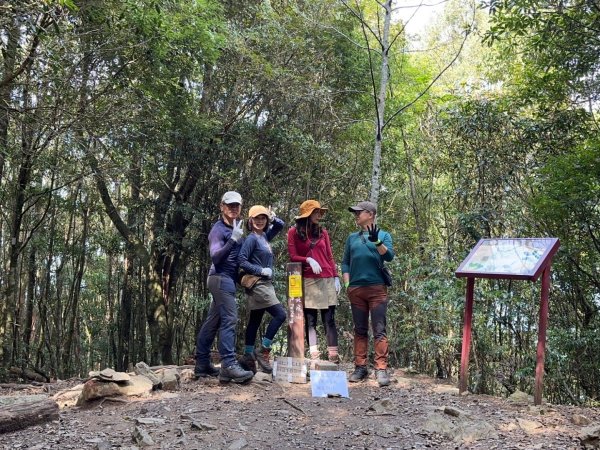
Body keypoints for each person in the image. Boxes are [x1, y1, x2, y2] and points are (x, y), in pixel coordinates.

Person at [194, 191, 254, 383]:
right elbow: (216, 257)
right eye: (230, 205)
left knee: (213, 322)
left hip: (227, 279)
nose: (234, 208)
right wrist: (232, 240)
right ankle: (228, 365)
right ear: (222, 206)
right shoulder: (218, 230)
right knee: (230, 319)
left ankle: (202, 363)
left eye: (237, 205)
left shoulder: (236, 227)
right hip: (219, 278)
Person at [341, 201, 395, 387]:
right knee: (360, 329)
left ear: (370, 214)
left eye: (359, 212)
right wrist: (348, 283)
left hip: (377, 289)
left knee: (379, 328)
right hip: (356, 290)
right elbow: (345, 262)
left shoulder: (383, 235)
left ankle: (381, 369)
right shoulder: (351, 238)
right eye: (355, 213)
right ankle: (360, 367)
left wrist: (377, 241)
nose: (356, 216)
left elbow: (389, 256)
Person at [287, 200, 341, 363]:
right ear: (307, 214)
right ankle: (315, 357)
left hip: (327, 278)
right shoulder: (293, 232)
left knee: (329, 319)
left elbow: (329, 256)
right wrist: (308, 260)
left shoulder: (323, 232)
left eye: (319, 212)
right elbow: (293, 256)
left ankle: (333, 358)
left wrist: (336, 276)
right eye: (315, 212)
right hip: (310, 279)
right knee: (311, 321)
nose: (319, 215)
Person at [238, 205, 286, 374]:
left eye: (263, 218)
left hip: (264, 283)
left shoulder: (264, 237)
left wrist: (273, 218)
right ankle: (263, 350)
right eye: (256, 218)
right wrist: (260, 270)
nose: (260, 221)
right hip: (258, 283)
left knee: (255, 320)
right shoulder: (251, 239)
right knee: (281, 315)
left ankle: (248, 356)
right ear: (250, 221)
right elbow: (242, 261)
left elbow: (280, 225)